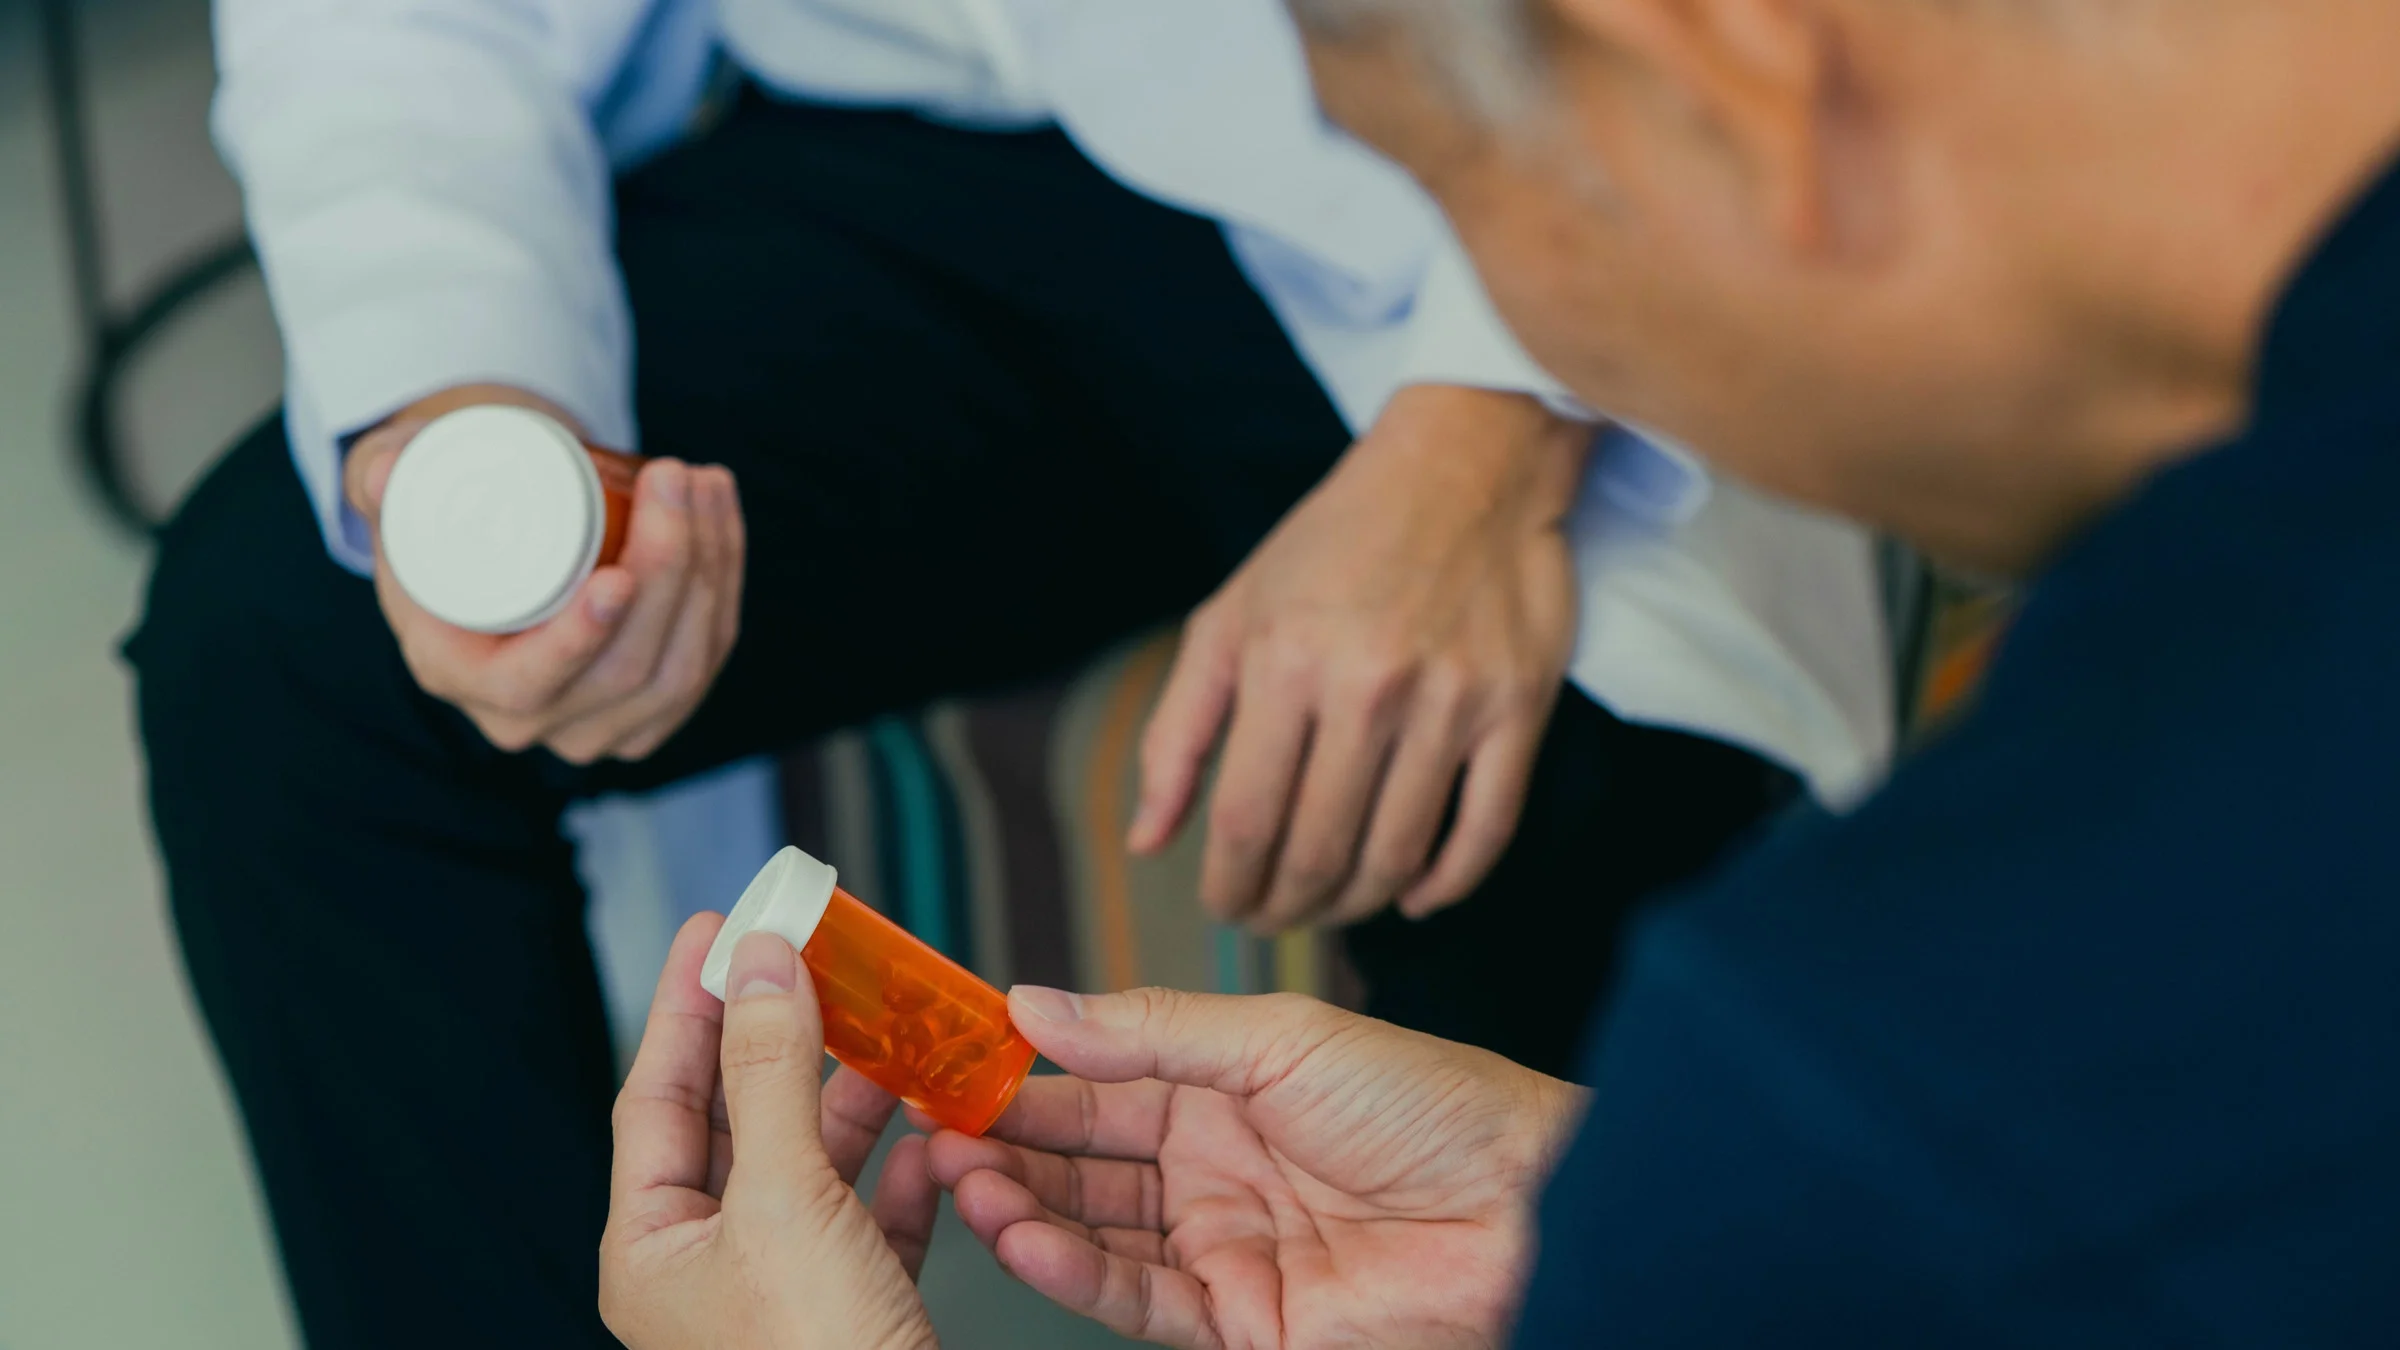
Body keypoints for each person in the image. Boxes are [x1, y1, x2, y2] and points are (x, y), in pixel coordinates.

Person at [597, 0, 2400, 1343]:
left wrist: (1710, 1219)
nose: (1509, 329)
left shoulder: (1885, 1052)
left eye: (1437, 195)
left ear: (1728, 58)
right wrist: (1602, 1203)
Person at [129, 1, 1885, 1344]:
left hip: (1480, 172)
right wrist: (456, 405)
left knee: (1517, 764)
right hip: (894, 133)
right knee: (278, 653)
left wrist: (1494, 429)